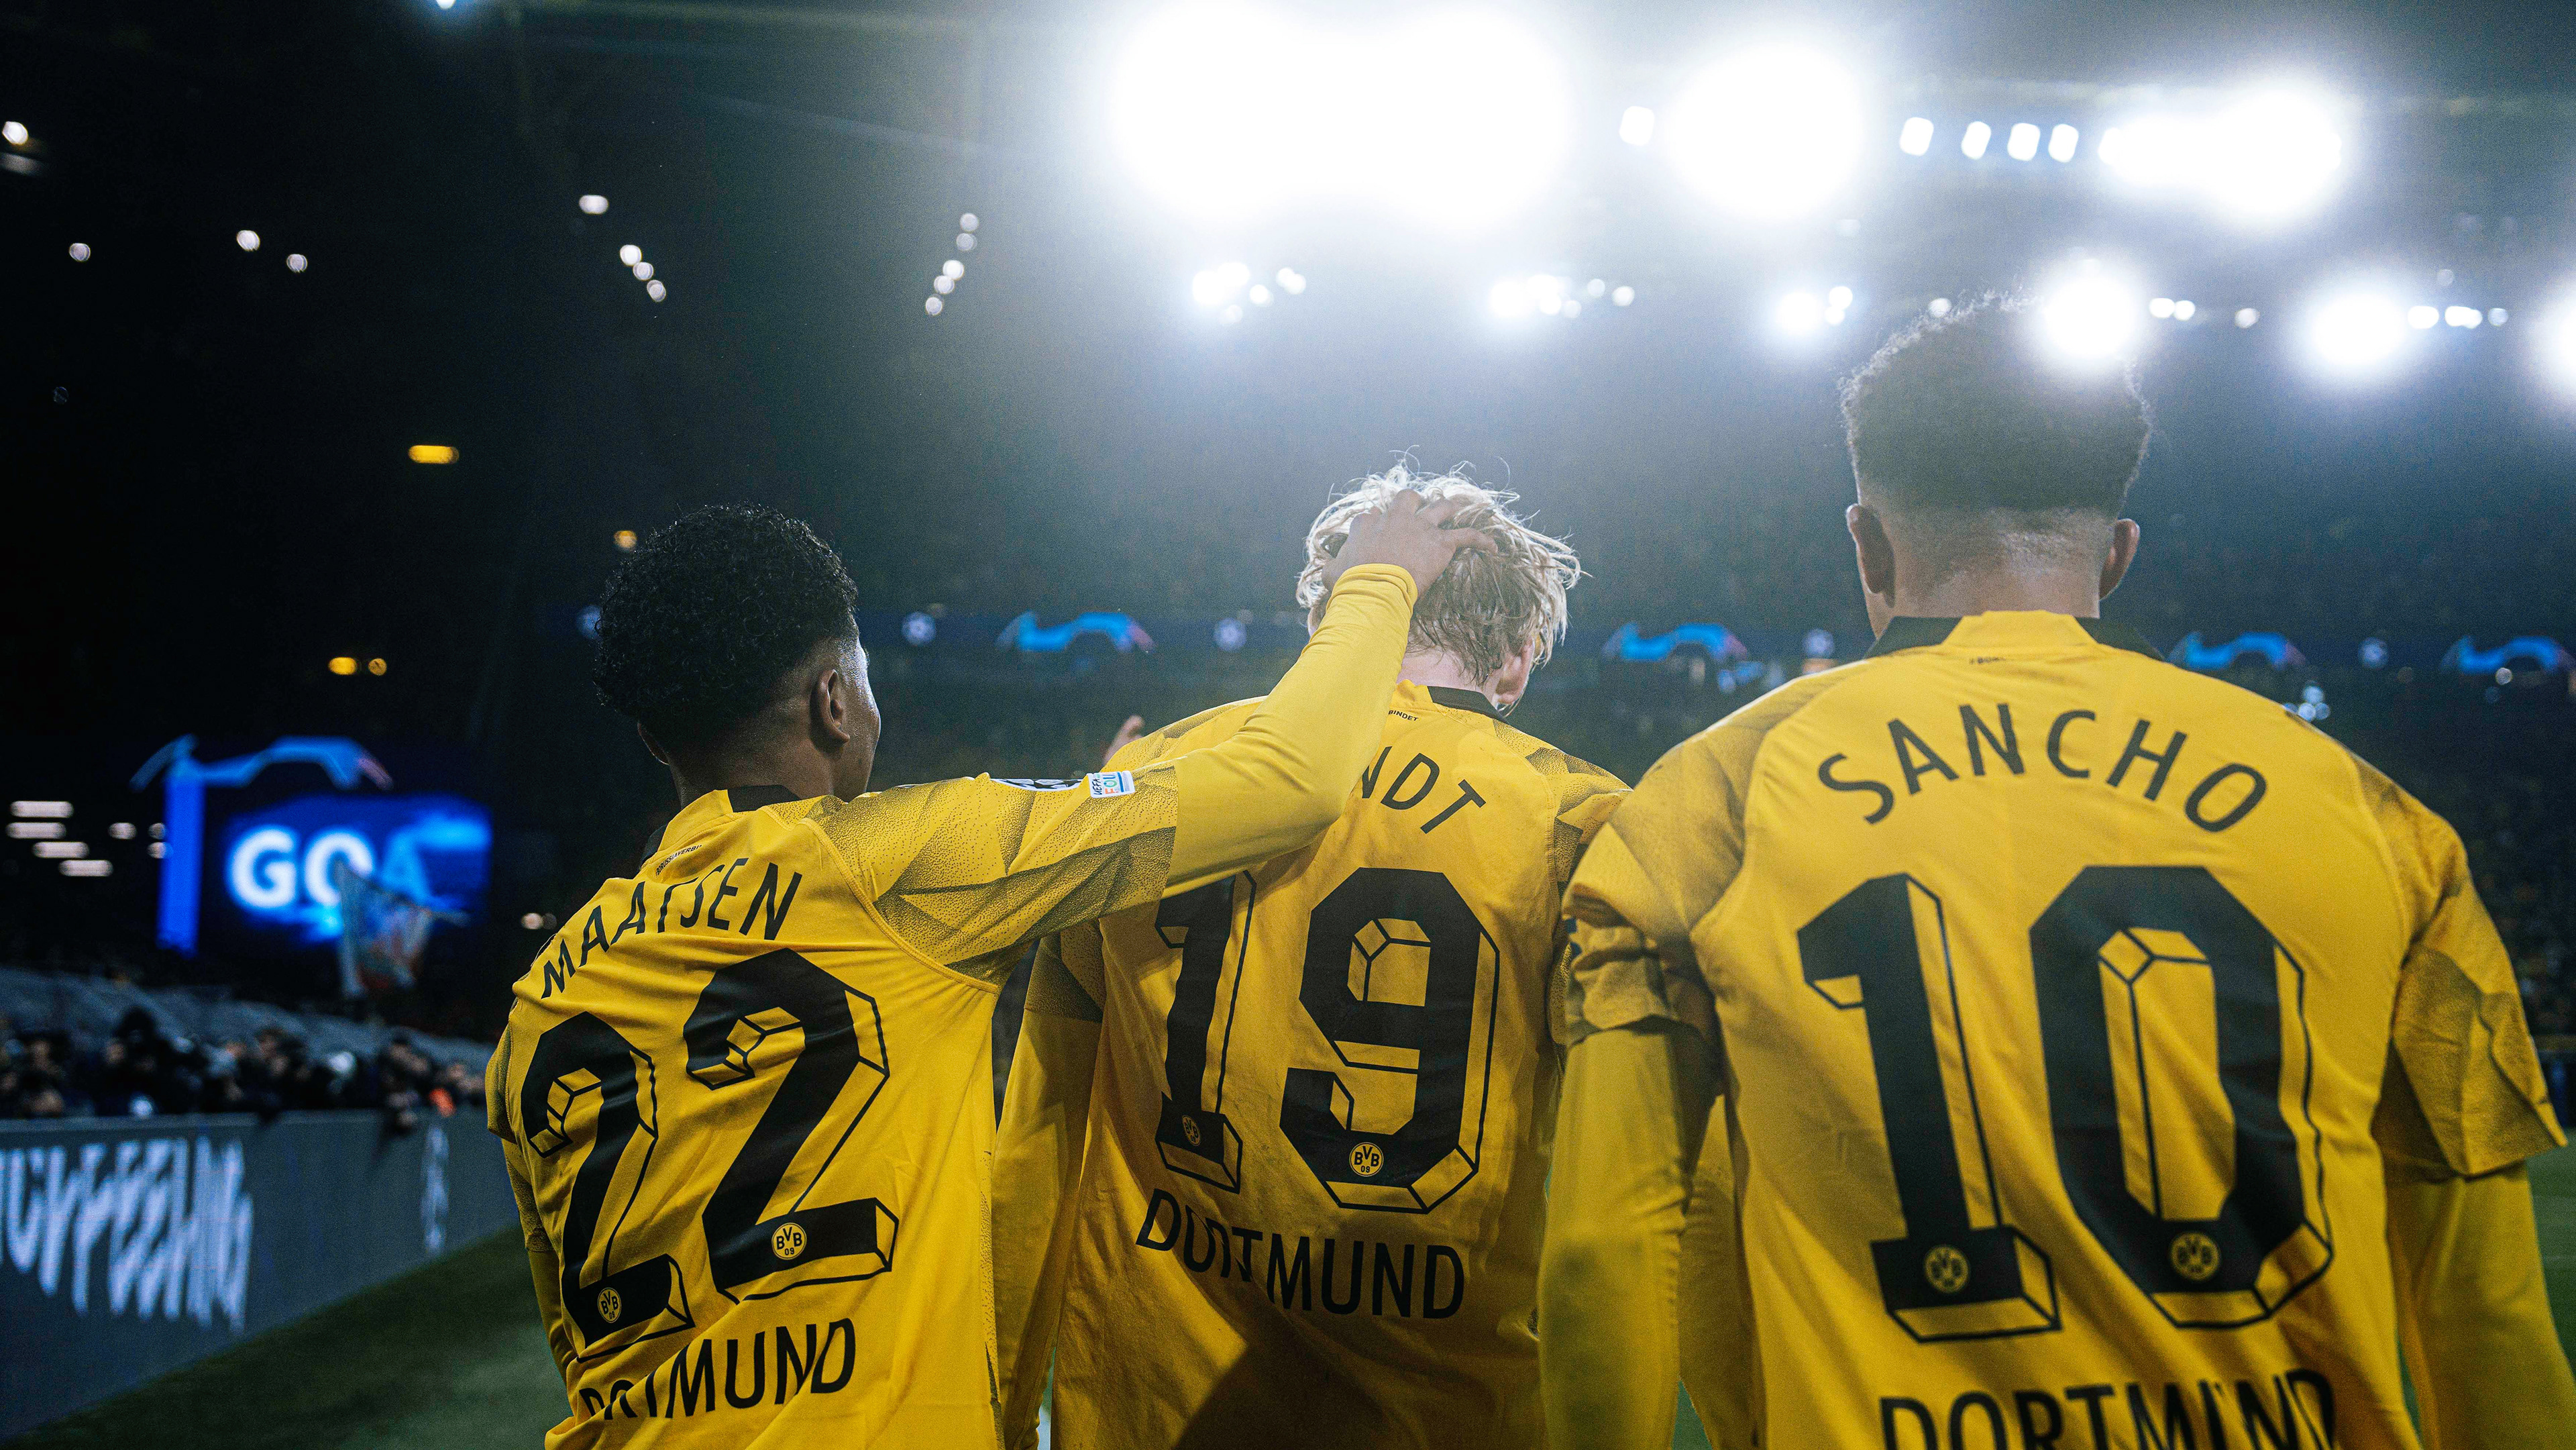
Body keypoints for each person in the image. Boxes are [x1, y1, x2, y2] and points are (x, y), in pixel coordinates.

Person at [1538, 297, 2576, 1450]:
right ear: (2119, 554)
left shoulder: (1705, 801)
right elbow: (2488, 1312)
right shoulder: (2377, 820)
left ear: (1867, 545)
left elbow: (1604, 1249)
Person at [485, 497, 1482, 1449]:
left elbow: (579, 1341)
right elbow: (1293, 778)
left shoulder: (544, 998)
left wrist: (1098, 803)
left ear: (655, 736)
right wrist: (1378, 577)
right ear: (836, 702)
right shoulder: (900, 862)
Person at [994, 468, 1627, 1450]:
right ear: (1516, 660)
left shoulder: (1154, 775)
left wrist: (996, 1409)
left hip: (1149, 1415)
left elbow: (1036, 1135)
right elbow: (1630, 1201)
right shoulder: (1584, 821)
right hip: (1445, 1421)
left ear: (1330, 626)